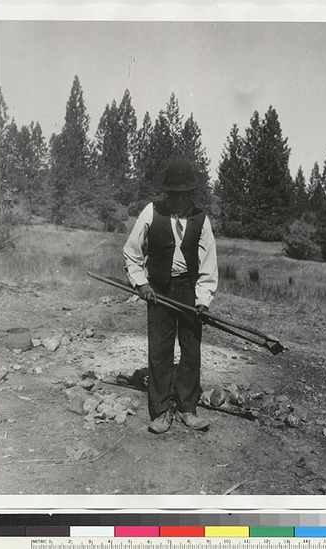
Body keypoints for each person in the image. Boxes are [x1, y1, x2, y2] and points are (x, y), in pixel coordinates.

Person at [123, 159, 218, 434]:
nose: (178, 200)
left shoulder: (201, 219)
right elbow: (132, 251)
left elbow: (209, 263)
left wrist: (203, 299)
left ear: (191, 194)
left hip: (188, 291)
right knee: (160, 351)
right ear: (167, 193)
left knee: (191, 350)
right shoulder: (151, 213)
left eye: (184, 194)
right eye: (173, 194)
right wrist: (141, 284)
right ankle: (162, 410)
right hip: (158, 291)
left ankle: (188, 408)